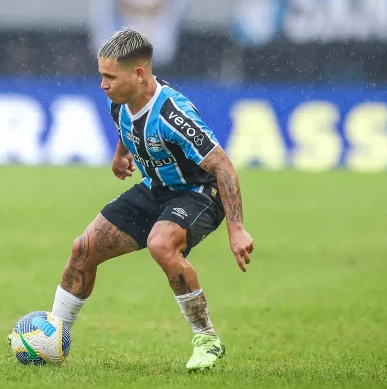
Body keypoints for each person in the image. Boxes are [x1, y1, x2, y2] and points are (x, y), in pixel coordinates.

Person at [48, 29, 254, 371]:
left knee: (161, 245)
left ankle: (207, 339)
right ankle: (52, 337)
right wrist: (120, 155)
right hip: (154, 189)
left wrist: (238, 230)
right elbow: (128, 127)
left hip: (198, 192)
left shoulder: (173, 113)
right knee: (82, 249)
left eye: (109, 76)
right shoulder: (119, 101)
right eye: (102, 75)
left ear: (139, 73)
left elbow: (223, 166)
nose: (103, 84)